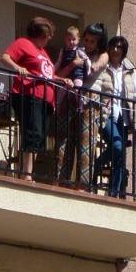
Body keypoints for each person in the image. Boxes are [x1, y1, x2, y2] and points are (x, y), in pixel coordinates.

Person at [84, 34, 136, 198]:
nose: (115, 50)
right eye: (113, 46)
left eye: (119, 47)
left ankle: (114, 193)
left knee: (120, 157)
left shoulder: (129, 69)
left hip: (123, 117)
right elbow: (95, 85)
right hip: (106, 114)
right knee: (117, 147)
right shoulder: (103, 64)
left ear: (124, 51)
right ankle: (97, 164)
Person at [0, 16, 57, 180]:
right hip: (29, 95)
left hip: (46, 100)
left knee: (39, 138)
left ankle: (28, 172)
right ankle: (26, 174)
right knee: (33, 132)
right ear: (40, 34)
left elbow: (46, 74)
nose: (48, 40)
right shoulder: (23, 43)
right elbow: (5, 57)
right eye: (48, 36)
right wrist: (19, 68)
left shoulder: (43, 52)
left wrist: (61, 80)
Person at [55, 22, 104, 186]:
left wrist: (86, 63)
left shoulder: (103, 55)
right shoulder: (73, 52)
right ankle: (60, 180)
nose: (88, 44)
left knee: (85, 142)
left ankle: (83, 185)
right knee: (64, 139)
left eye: (93, 41)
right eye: (87, 40)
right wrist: (72, 64)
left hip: (90, 100)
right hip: (70, 96)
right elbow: (57, 72)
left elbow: (96, 68)